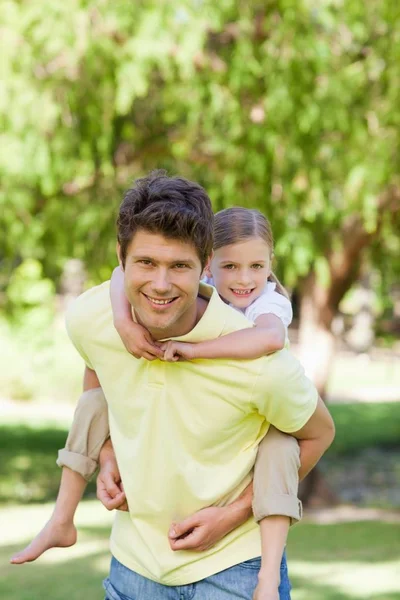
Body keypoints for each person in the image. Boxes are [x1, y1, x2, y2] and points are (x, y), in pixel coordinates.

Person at [12, 171, 335, 600]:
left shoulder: (261, 361)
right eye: (146, 262)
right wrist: (106, 452)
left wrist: (234, 514)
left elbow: (319, 433)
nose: (161, 285)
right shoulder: (92, 318)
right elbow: (97, 370)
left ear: (204, 266)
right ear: (121, 258)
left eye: (179, 266)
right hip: (132, 567)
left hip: (235, 571)